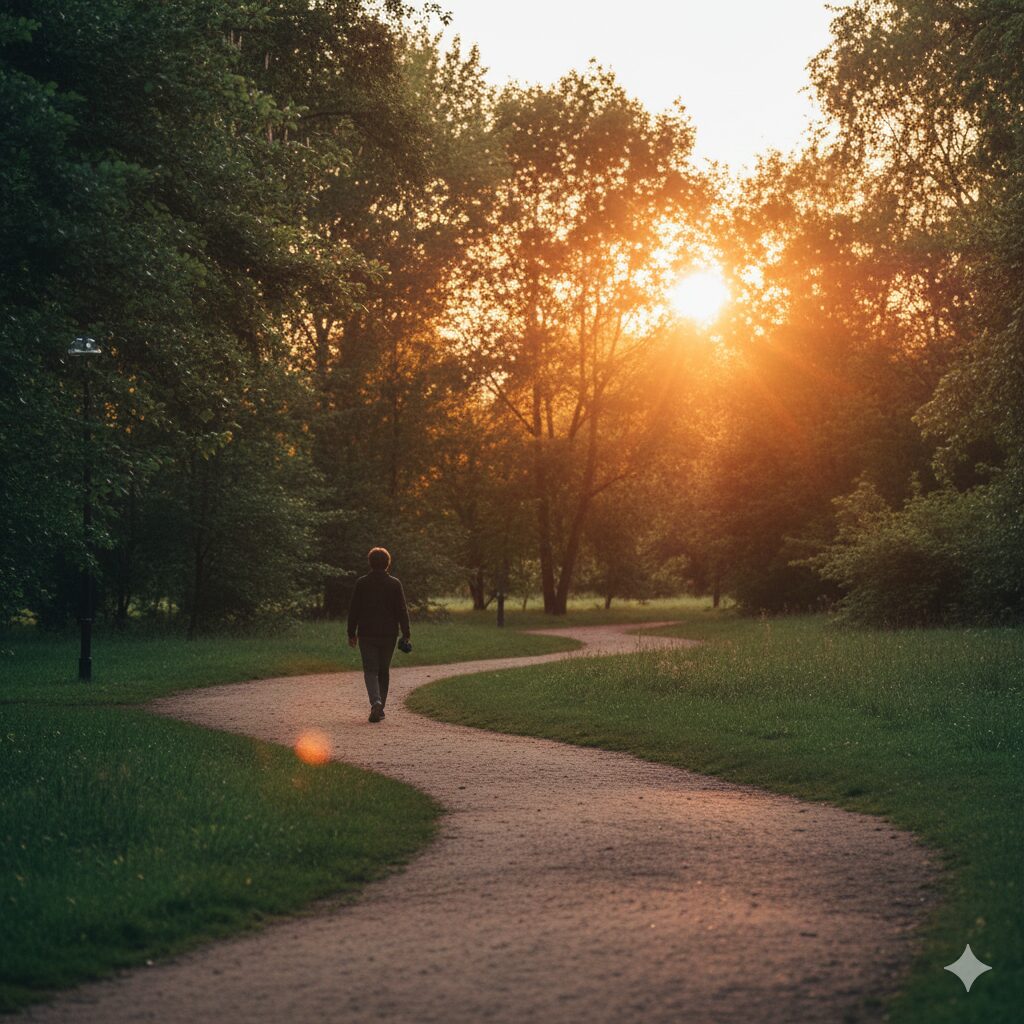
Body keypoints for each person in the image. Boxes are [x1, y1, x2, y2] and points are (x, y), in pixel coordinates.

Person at [347, 547, 411, 723]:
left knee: (370, 670)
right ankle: (380, 706)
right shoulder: (394, 583)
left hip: (367, 633)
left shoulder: (362, 583)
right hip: (389, 634)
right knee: (383, 671)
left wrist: (351, 632)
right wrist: (406, 633)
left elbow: (354, 610)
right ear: (387, 563)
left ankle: (375, 702)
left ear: (370, 562)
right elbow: (402, 611)